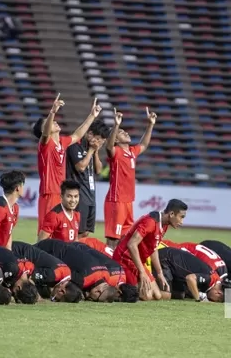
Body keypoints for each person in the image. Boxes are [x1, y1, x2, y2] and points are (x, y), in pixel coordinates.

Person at [33, 95, 102, 234]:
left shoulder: (62, 143)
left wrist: (92, 116)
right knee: (46, 232)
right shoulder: (45, 144)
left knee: (62, 232)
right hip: (49, 194)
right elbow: (46, 133)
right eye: (49, 123)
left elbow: (77, 135)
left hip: (62, 194)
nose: (54, 122)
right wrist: (52, 112)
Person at [113, 199, 187, 301]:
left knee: (158, 295)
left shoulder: (164, 225)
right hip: (125, 259)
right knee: (146, 296)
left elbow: (153, 248)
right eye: (181, 217)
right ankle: (119, 290)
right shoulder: (150, 222)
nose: (182, 222)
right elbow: (131, 244)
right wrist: (142, 272)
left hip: (136, 261)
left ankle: (134, 288)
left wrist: (160, 273)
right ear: (172, 214)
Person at [104, 107, 157, 247]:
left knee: (125, 237)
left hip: (128, 201)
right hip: (117, 200)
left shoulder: (132, 152)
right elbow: (108, 147)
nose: (126, 132)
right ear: (115, 139)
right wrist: (116, 125)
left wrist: (150, 125)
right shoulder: (116, 152)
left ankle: (119, 265)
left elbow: (144, 144)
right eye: (122, 132)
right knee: (113, 239)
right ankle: (109, 265)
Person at [66, 119, 109, 239]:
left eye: (103, 141)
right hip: (79, 195)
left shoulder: (92, 149)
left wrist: (95, 152)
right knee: (77, 232)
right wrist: (90, 150)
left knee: (85, 232)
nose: (100, 142)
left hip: (90, 195)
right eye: (99, 139)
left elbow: (99, 170)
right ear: (90, 134)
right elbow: (80, 167)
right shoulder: (75, 146)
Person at [158, 247, 225, 302]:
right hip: (166, 259)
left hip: (171, 260)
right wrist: (198, 299)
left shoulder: (213, 277)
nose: (210, 300)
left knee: (180, 294)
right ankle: (151, 293)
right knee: (166, 293)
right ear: (218, 293)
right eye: (214, 300)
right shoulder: (210, 278)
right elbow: (190, 278)